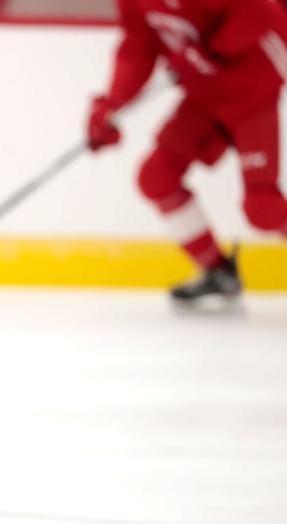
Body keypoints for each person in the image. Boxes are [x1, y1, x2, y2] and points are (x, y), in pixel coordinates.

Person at [87, 0, 287, 304]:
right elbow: (138, 47)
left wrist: (212, 50)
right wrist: (112, 104)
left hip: (251, 89)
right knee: (156, 176)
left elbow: (261, 13)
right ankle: (218, 273)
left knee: (262, 208)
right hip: (208, 93)